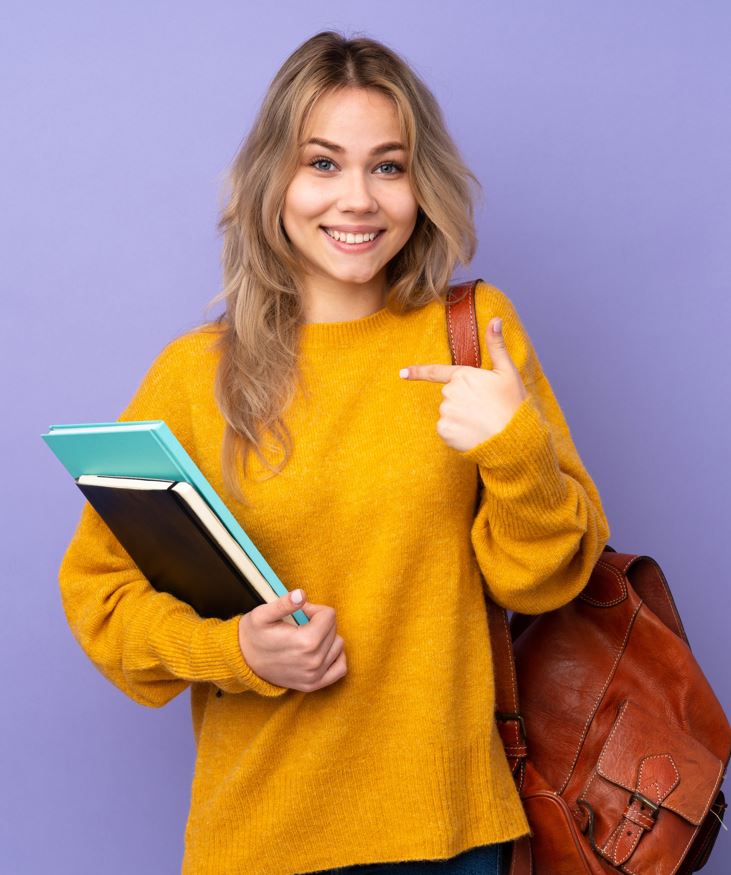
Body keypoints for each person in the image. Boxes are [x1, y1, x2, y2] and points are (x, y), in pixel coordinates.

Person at [58, 30, 611, 875]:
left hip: (451, 832)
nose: (357, 198)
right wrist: (235, 651)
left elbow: (542, 580)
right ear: (272, 177)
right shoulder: (194, 374)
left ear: (420, 185)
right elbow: (100, 597)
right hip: (260, 836)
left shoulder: (470, 335)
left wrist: (515, 449)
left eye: (387, 166)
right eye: (322, 163)